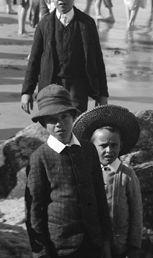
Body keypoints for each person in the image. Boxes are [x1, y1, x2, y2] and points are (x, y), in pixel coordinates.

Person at [24, 84, 112, 258]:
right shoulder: (39, 158)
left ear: (73, 116)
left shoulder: (88, 150)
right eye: (52, 119)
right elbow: (34, 210)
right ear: (43, 123)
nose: (59, 124)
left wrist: (106, 240)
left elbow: (99, 196)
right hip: (60, 246)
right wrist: (41, 252)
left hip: (92, 240)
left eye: (64, 116)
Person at [21, 0, 109, 115]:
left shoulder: (87, 24)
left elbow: (97, 60)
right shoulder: (44, 24)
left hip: (78, 88)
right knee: (53, 126)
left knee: (76, 125)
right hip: (50, 87)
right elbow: (34, 60)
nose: (62, 0)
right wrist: (26, 91)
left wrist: (102, 94)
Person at [73, 105, 143, 258]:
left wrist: (134, 246)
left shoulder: (128, 175)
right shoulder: (85, 174)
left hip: (120, 246)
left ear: (121, 146)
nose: (109, 151)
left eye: (114, 145)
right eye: (103, 146)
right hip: (92, 244)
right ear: (91, 146)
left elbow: (136, 213)